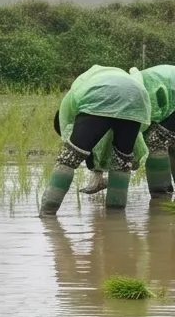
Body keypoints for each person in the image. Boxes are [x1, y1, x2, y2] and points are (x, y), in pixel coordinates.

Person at [38, 65, 153, 214]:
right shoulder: (117, 77)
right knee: (122, 162)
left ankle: (47, 214)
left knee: (69, 159)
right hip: (136, 97)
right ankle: (116, 219)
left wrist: (75, 145)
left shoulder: (77, 90)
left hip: (100, 95)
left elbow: (65, 121)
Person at [134, 64, 175, 200]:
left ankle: (161, 197)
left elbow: (153, 115)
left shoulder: (142, 91)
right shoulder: (135, 88)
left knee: (156, 141)